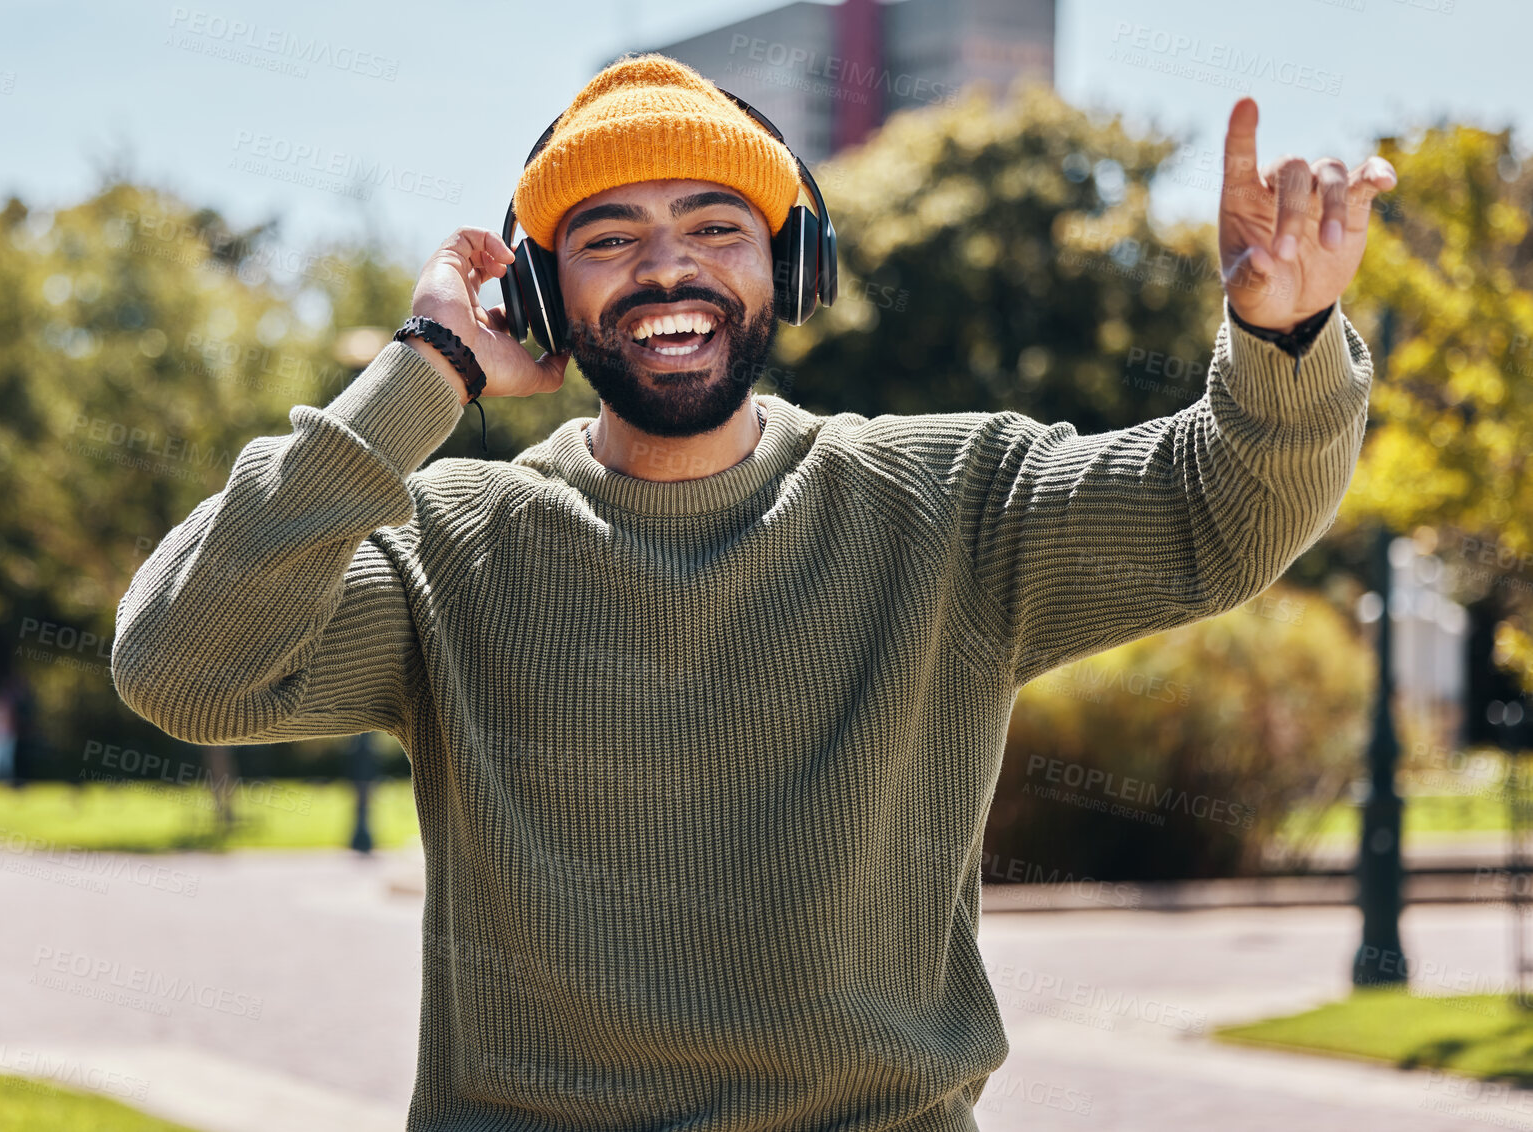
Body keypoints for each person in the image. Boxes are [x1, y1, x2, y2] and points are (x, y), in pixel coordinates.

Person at [111, 54, 1393, 1131]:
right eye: (608, 238)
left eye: (714, 226)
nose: (666, 269)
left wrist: (1282, 342)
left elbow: (1215, 515)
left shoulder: (950, 502)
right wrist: (421, 373)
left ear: (789, 262)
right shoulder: (450, 546)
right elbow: (178, 664)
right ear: (543, 299)